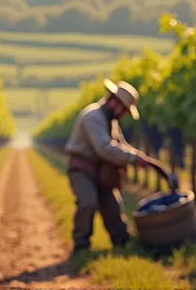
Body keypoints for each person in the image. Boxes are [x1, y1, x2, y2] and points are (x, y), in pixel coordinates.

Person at [64, 79, 158, 257]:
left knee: (113, 207)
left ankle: (122, 242)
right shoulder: (93, 116)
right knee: (88, 202)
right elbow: (104, 148)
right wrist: (133, 159)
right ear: (114, 101)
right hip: (82, 169)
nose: (122, 114)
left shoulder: (111, 122)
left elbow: (121, 144)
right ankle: (81, 246)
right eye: (123, 110)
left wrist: (139, 156)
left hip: (101, 170)